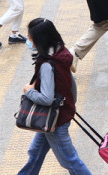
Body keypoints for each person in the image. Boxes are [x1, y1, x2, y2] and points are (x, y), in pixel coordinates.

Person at [18, 19, 92, 174]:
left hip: (55, 121)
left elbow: (46, 99)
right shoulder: (60, 51)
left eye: (30, 38)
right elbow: (71, 83)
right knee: (35, 153)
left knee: (70, 161)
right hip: (55, 116)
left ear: (40, 40)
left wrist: (28, 91)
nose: (28, 41)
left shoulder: (47, 64)